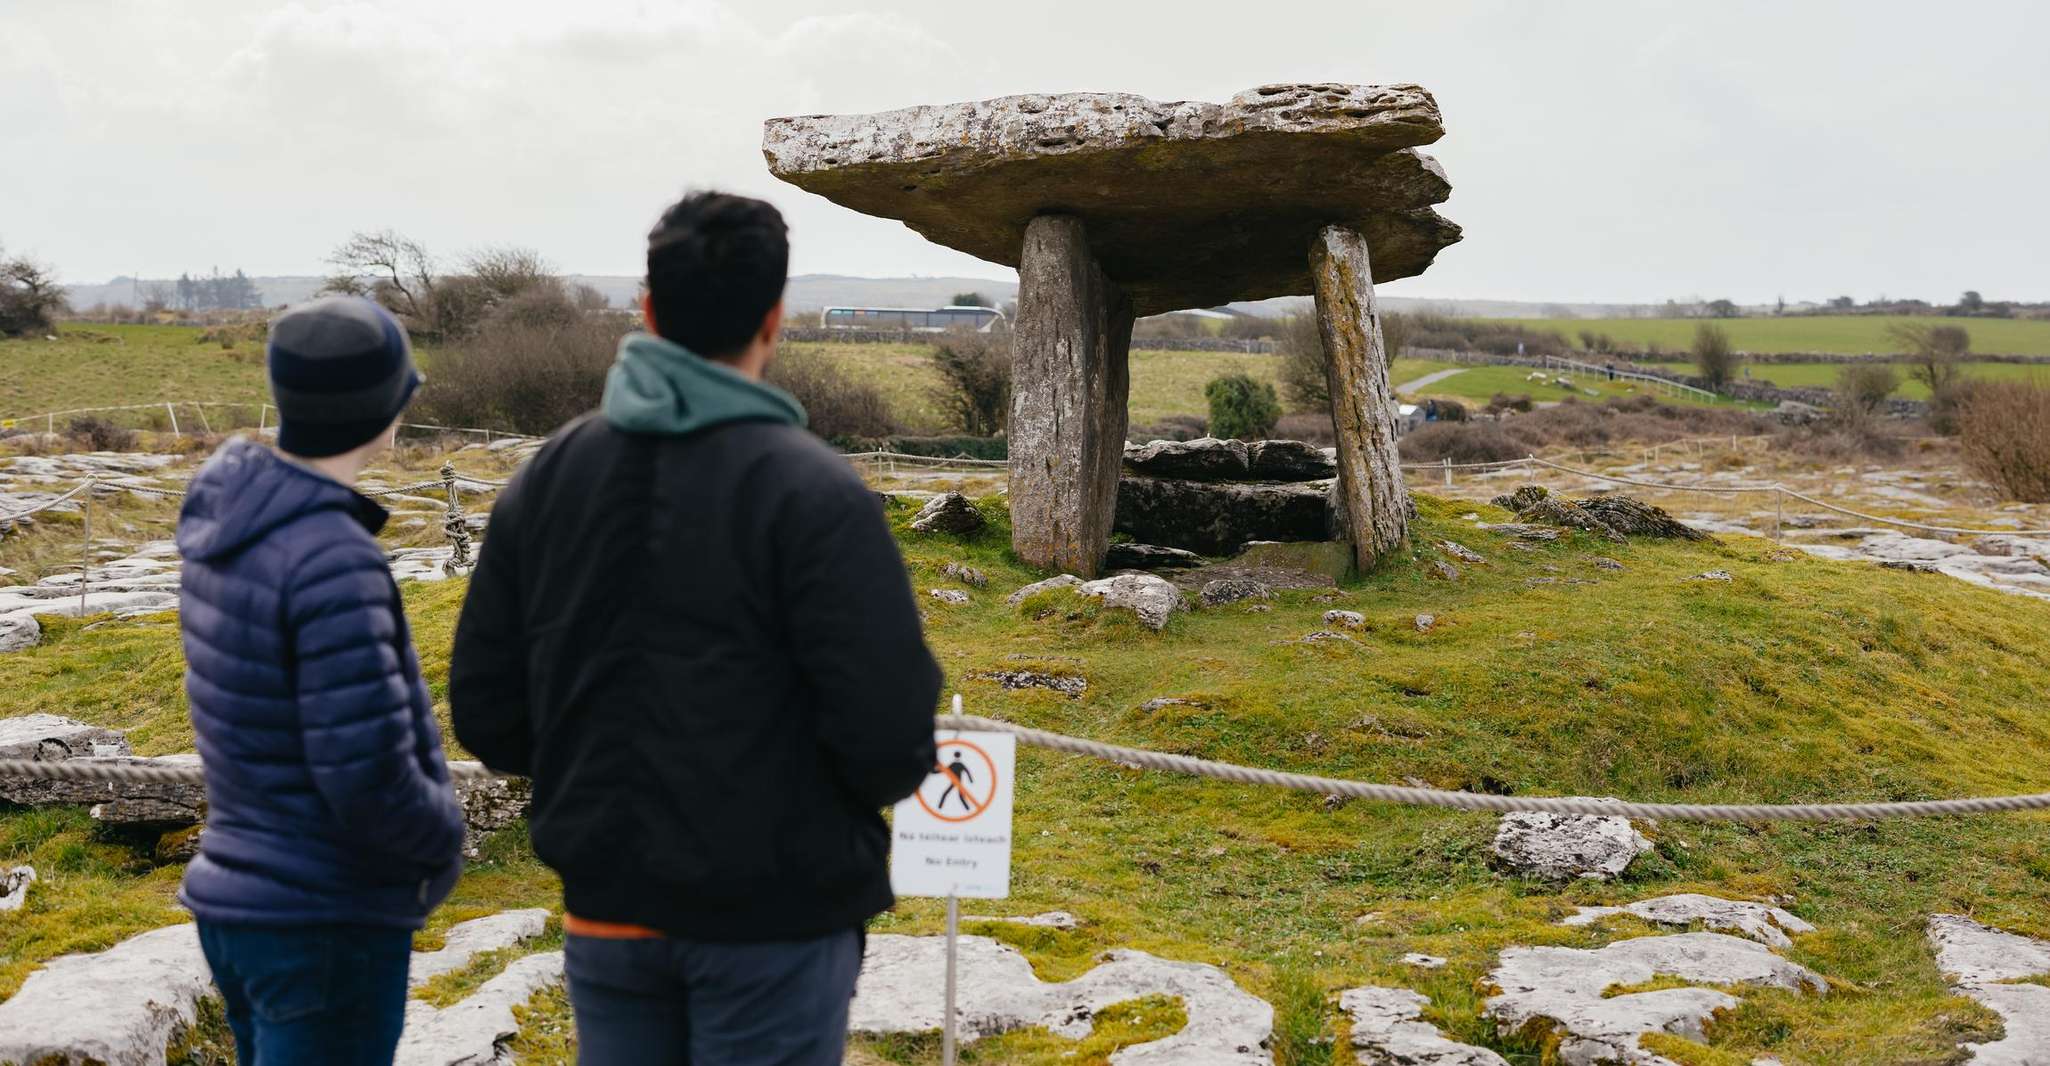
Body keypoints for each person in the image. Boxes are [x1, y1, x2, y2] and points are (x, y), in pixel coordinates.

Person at [450, 191, 942, 1065]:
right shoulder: (819, 495)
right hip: (779, 920)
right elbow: (890, 741)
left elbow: (490, 716)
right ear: (773, 320)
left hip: (608, 907)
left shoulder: (549, 478)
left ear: (646, 311)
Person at [177, 295, 467, 1064]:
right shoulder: (330, 555)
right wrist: (443, 840)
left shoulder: (233, 518)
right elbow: (365, 770)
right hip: (323, 916)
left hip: (239, 897)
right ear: (386, 406)